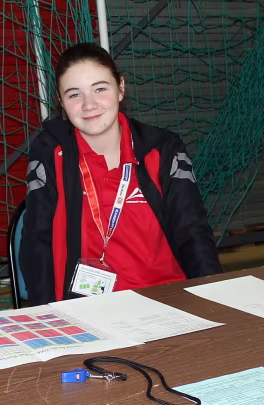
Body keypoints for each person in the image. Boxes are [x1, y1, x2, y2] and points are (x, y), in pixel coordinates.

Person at [21, 42, 221, 304]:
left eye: (100, 89)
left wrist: (214, 303)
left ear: (121, 89)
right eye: (74, 95)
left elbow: (193, 232)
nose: (89, 105)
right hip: (87, 309)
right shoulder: (49, 151)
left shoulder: (162, 149)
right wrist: (47, 318)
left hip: (167, 303)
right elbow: (37, 241)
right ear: (60, 102)